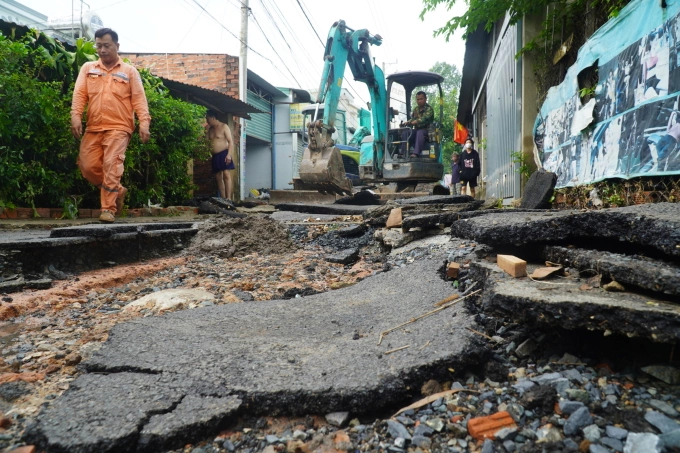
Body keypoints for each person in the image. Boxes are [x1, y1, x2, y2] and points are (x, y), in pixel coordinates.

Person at [71, 28, 150, 223]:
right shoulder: (88, 68)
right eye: (99, 46)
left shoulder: (129, 72)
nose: (102, 50)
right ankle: (118, 191)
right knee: (87, 166)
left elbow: (139, 99)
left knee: (111, 165)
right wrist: (75, 116)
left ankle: (108, 209)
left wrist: (144, 123)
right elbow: (80, 94)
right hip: (94, 126)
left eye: (106, 45)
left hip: (119, 127)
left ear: (117, 46)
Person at [206, 110, 235, 200]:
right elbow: (206, 141)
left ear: (213, 118)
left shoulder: (224, 126)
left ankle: (229, 198)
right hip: (215, 155)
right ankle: (223, 198)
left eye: (208, 119)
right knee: (218, 177)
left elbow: (230, 142)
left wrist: (229, 155)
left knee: (226, 174)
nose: (207, 121)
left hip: (224, 153)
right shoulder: (210, 129)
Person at [401, 91, 434, 158]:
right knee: (406, 133)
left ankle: (416, 153)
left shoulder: (429, 109)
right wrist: (407, 122)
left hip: (427, 131)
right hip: (417, 130)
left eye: (421, 99)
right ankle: (403, 153)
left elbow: (423, 119)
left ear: (425, 99)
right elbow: (413, 118)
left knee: (420, 133)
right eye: (418, 99)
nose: (419, 101)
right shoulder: (416, 109)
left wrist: (414, 122)